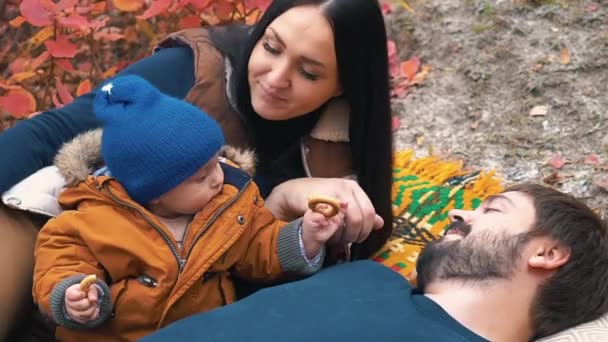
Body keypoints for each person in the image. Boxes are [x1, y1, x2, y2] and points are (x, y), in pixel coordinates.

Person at [0, 0, 393, 338]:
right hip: (59, 238)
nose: (275, 78)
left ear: (345, 83)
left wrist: (287, 207)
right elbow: (48, 134)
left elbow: (261, 256)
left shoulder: (340, 147)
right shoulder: (194, 70)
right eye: (271, 47)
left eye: (309, 72)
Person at [33, 75, 347, 341]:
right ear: (154, 192)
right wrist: (74, 296)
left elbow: (258, 245)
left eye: (217, 163)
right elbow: (61, 261)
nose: (219, 178)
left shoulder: (228, 205)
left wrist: (305, 236)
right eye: (202, 175)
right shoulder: (91, 222)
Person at [139, 183, 608, 342]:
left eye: (493, 209)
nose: (459, 212)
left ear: (546, 253)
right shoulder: (365, 273)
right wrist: (283, 198)